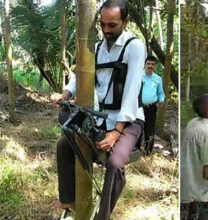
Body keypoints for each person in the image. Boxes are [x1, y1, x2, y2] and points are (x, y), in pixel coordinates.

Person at [54, 0, 146, 219]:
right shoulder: (96, 47)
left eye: (112, 25)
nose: (106, 30)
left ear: (125, 21)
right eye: (102, 25)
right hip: (100, 117)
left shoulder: (134, 47)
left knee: (115, 163)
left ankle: (101, 216)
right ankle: (70, 201)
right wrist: (66, 93)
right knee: (64, 144)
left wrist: (116, 133)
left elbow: (133, 90)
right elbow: (80, 76)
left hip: (129, 120)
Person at [141, 55, 165, 154]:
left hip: (151, 108)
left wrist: (161, 99)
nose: (150, 66)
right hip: (138, 107)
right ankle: (135, 152)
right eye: (148, 64)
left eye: (152, 64)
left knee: (149, 130)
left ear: (155, 66)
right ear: (145, 64)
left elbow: (160, 92)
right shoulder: (138, 76)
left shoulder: (158, 79)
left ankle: (147, 152)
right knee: (137, 130)